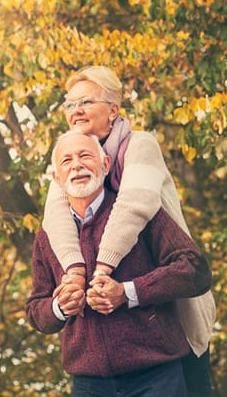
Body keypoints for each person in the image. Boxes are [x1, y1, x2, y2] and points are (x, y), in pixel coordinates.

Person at [43, 66, 216, 396]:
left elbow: (133, 207)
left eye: (85, 101)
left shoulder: (139, 145)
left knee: (191, 383)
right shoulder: (71, 159)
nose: (75, 110)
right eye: (68, 104)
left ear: (113, 110)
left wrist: (101, 270)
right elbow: (55, 218)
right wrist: (74, 273)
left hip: (167, 296)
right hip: (118, 332)